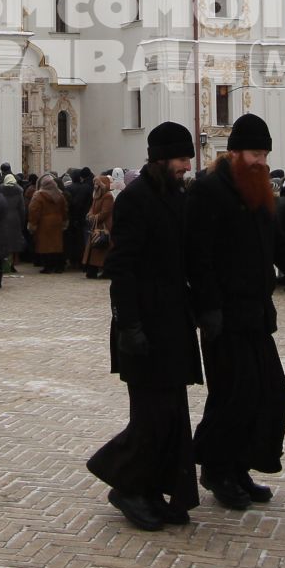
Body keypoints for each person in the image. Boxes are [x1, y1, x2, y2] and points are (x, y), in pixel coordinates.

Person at [186, 115, 285, 510]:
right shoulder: (209, 190)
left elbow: (279, 244)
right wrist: (208, 308)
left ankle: (240, 465)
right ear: (233, 153)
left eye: (265, 153)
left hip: (255, 315)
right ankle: (216, 470)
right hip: (224, 317)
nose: (260, 160)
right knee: (234, 396)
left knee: (268, 393)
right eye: (254, 153)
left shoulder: (258, 190)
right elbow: (197, 257)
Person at [88, 123, 202, 531]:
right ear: (160, 158)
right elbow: (123, 267)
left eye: (188, 159)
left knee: (172, 413)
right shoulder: (136, 199)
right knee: (152, 415)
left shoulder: (176, 195)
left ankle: (154, 488)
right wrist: (129, 325)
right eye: (180, 159)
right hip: (145, 324)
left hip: (173, 321)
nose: (187, 166)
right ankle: (126, 484)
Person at [28, 174, 69, 273]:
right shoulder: (60, 195)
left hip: (44, 223)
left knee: (45, 246)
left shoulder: (38, 196)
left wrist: (32, 223)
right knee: (56, 245)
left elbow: (34, 210)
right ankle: (58, 266)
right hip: (57, 222)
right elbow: (65, 209)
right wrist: (64, 220)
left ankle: (48, 267)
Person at [84, 172, 115, 279]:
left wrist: (93, 217)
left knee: (102, 249)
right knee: (96, 249)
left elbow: (105, 212)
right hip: (97, 226)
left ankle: (105, 270)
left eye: (97, 184)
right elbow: (92, 209)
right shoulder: (97, 196)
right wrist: (90, 215)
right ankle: (92, 270)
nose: (95, 186)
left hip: (104, 226)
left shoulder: (107, 196)